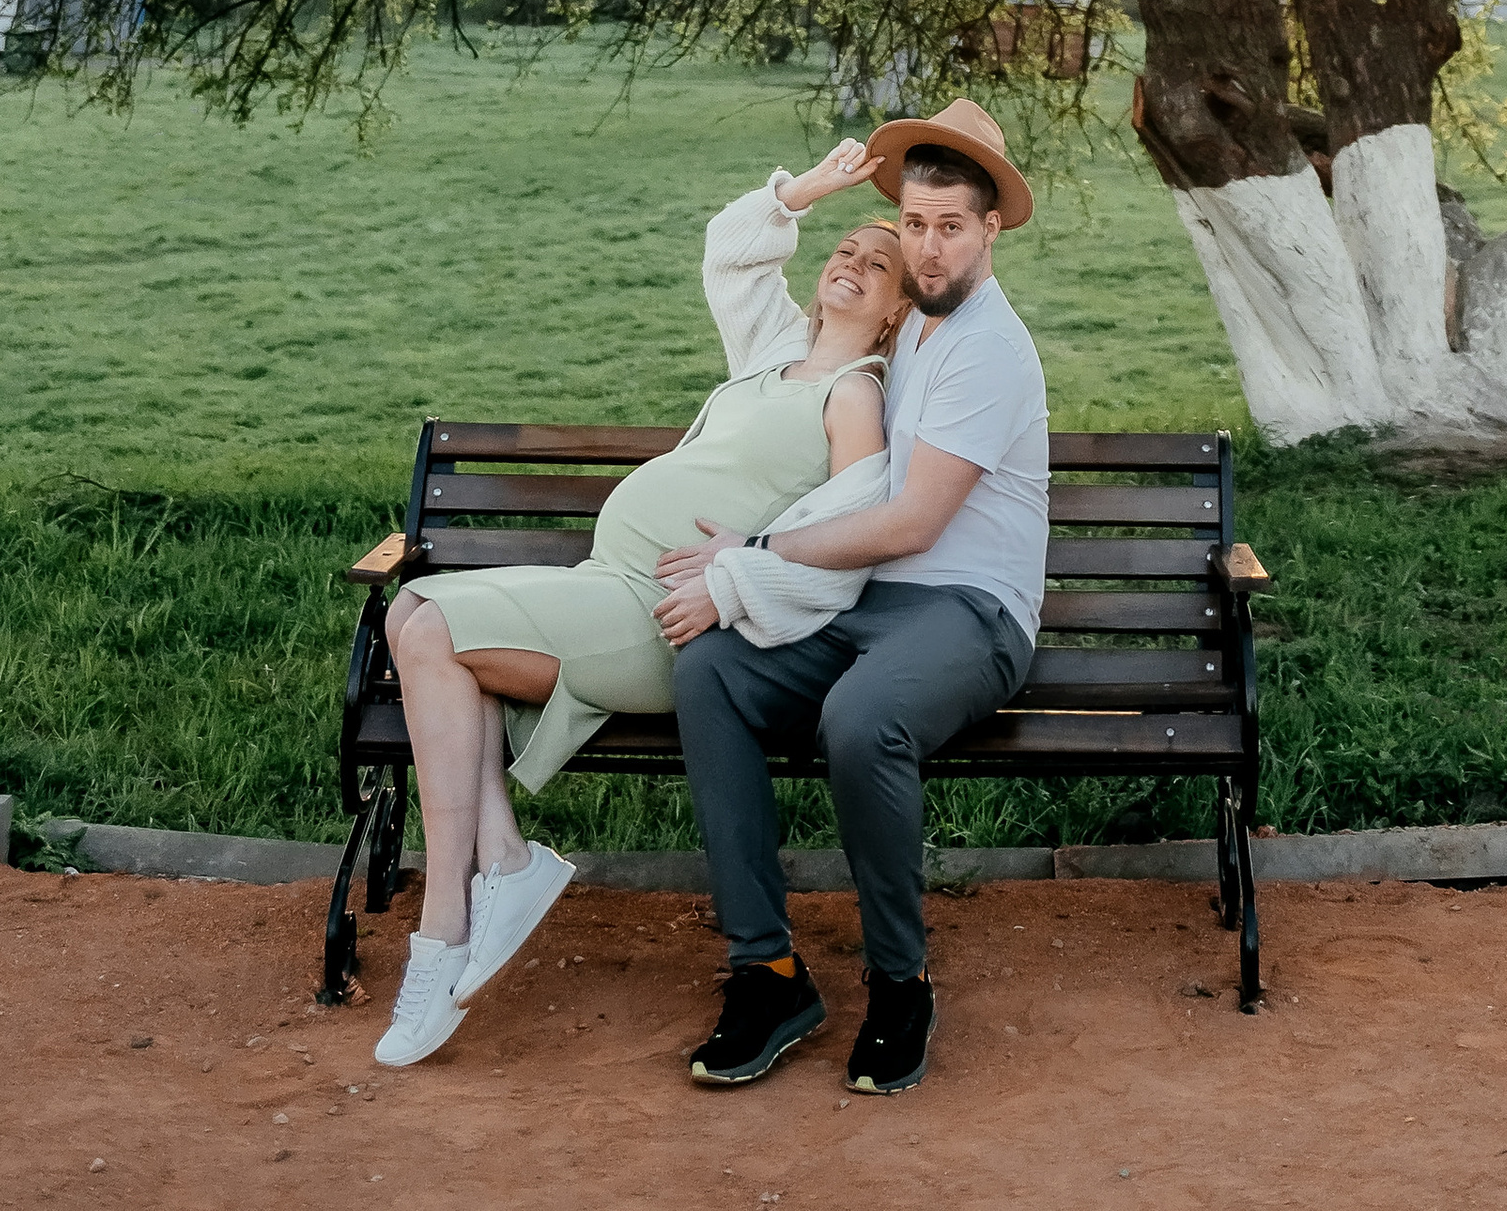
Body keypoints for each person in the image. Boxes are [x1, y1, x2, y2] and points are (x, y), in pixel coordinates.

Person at [371, 140, 907, 1073]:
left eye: (879, 263)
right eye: (847, 248)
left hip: (664, 619)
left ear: (900, 309)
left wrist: (733, 579)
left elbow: (850, 539)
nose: (852, 263)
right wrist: (804, 190)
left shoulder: (856, 395)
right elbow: (731, 253)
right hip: (602, 586)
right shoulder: (773, 352)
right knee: (408, 608)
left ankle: (444, 921)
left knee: (439, 634)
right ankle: (502, 855)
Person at [658, 95, 1048, 1101]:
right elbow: (756, 295)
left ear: (989, 227)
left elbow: (914, 523)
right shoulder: (898, 330)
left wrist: (748, 554)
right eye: (913, 224)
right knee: (708, 671)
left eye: (949, 226)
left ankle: (898, 982)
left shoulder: (988, 348)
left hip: (970, 612)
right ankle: (767, 971)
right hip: (862, 607)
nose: (926, 248)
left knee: (860, 716)